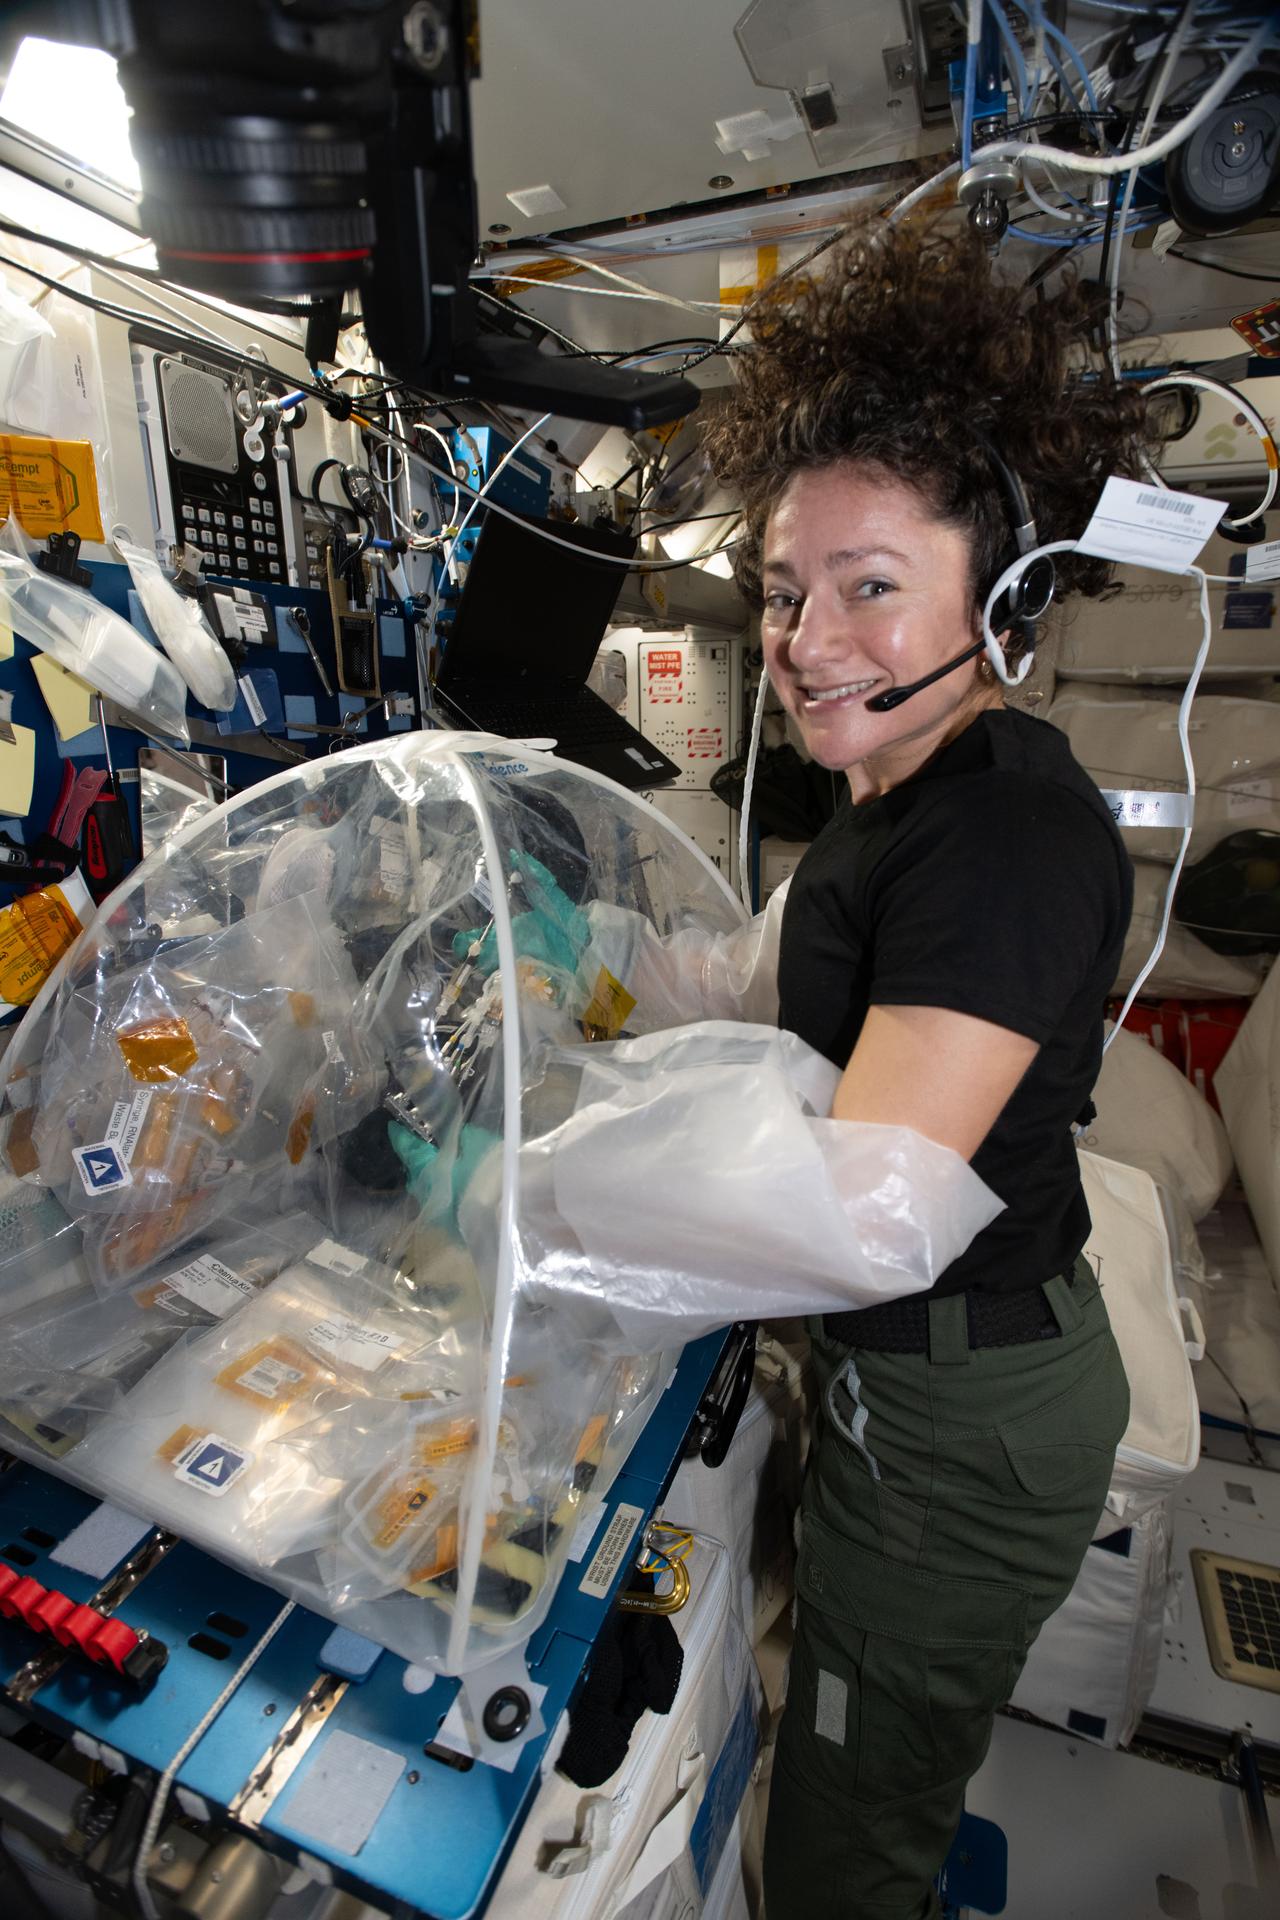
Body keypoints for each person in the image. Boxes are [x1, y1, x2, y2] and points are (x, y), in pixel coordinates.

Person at [697, 216, 1155, 1919]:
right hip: (923, 1376)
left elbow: (868, 1218)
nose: (809, 640)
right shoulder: (896, 796)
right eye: (783, 592)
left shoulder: (1004, 836)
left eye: (871, 586)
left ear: (1004, 598)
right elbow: (780, 979)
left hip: (962, 1415)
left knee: (849, 1811)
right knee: (868, 1724)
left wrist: (562, 1208)